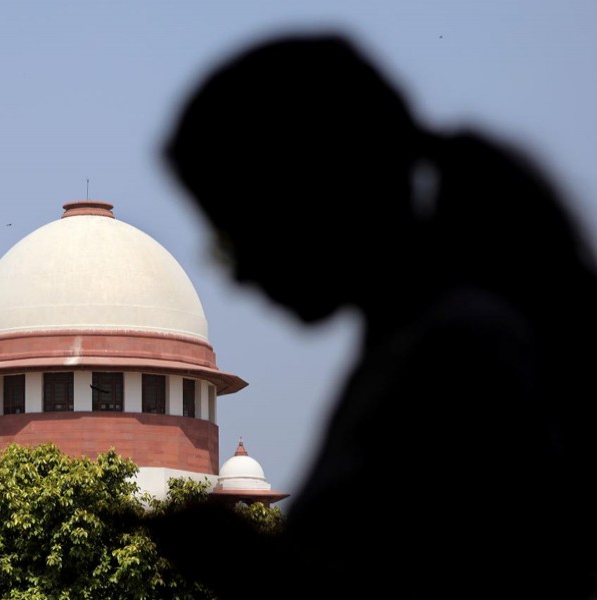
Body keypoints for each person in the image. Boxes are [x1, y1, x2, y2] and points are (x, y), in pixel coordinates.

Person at [146, 34, 597, 599]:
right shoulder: (430, 341)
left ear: (312, 195)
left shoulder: (458, 357)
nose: (239, 275)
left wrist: (251, 567)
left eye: (237, 234)